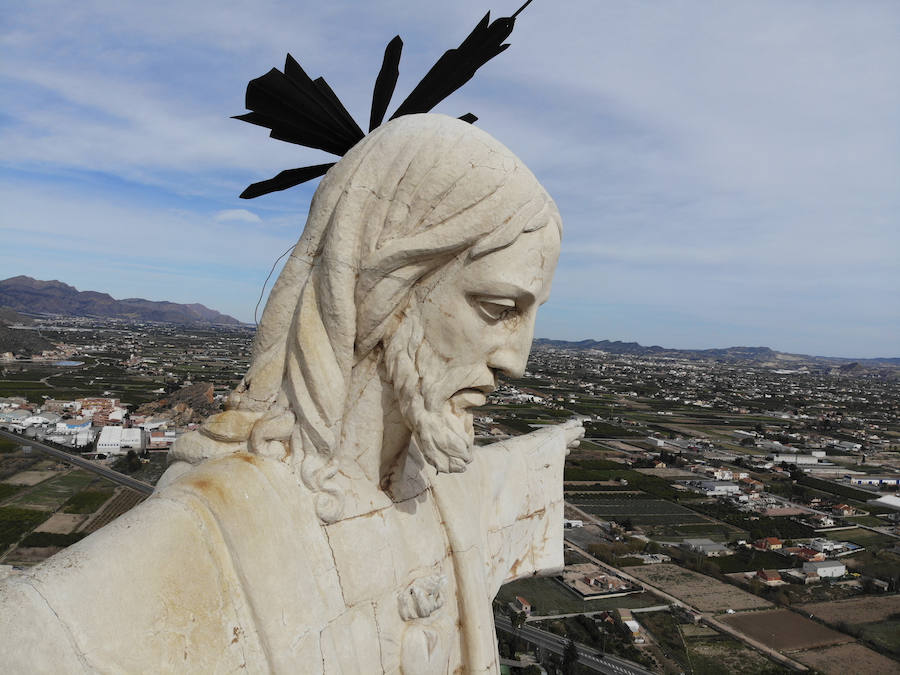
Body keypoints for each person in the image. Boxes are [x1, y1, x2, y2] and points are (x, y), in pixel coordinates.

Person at [0, 114, 582, 674]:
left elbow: (500, 479)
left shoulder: (443, 492)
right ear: (386, 286)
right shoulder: (214, 532)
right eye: (499, 309)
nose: (517, 362)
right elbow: (43, 637)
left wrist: (557, 441)